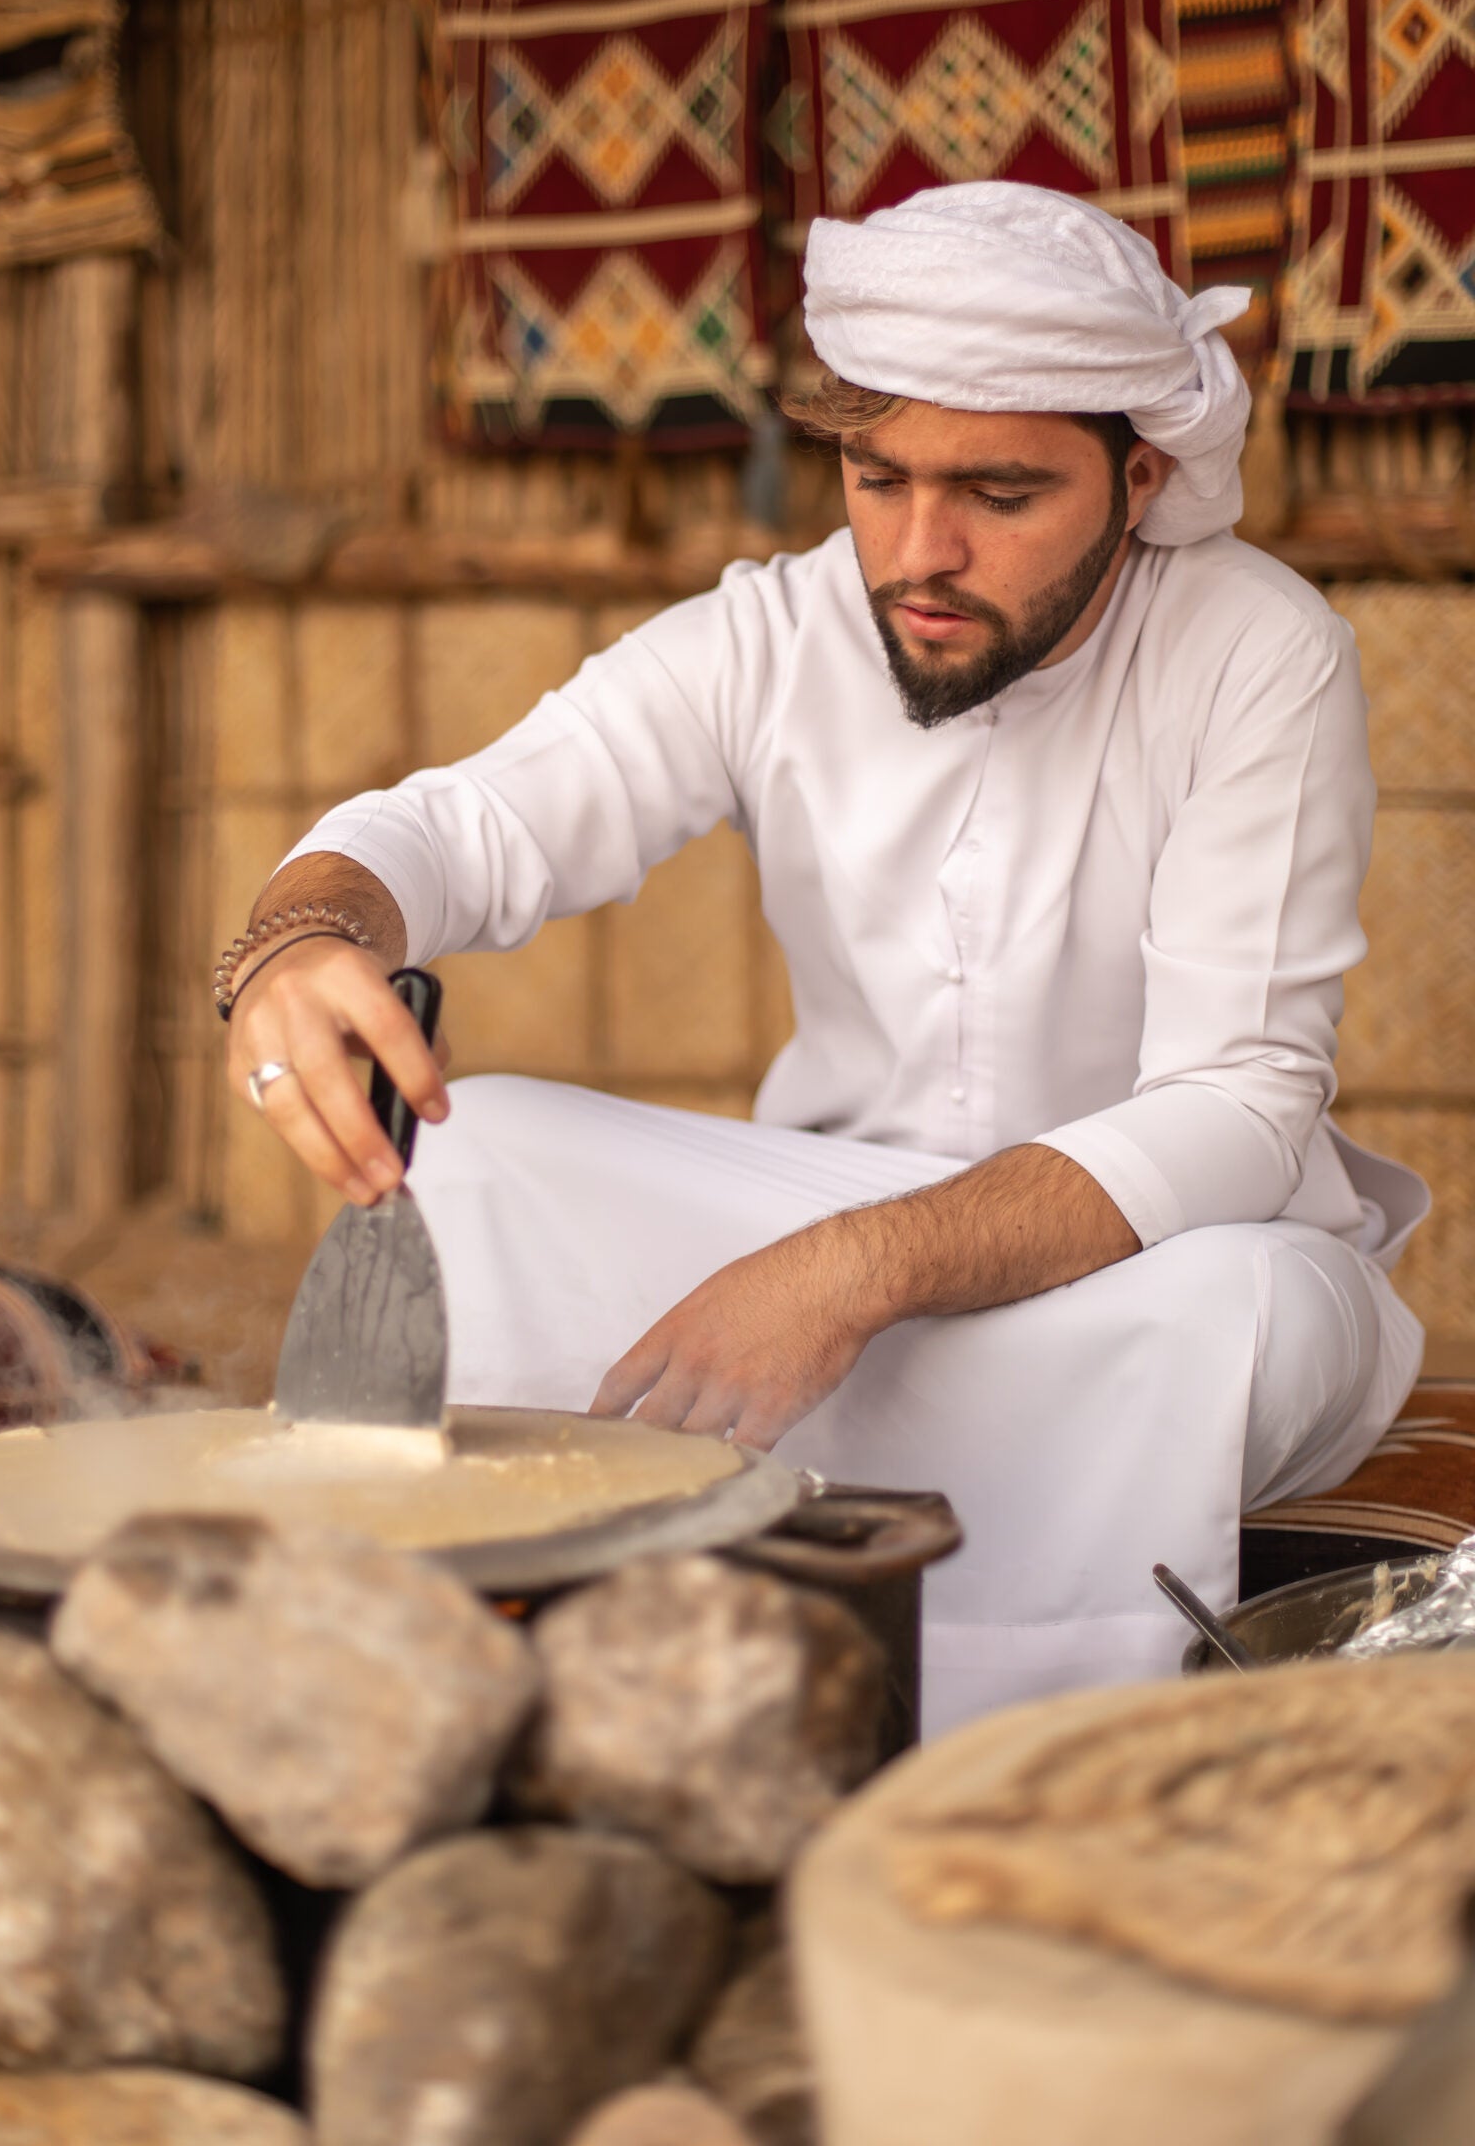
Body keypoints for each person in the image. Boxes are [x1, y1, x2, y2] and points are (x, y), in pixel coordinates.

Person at [219, 182, 1426, 1735]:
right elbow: (462, 827)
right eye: (877, 476)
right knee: (485, 1152)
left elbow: (1241, 1109)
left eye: (999, 493)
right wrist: (303, 940)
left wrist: (845, 1281)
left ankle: (993, 1743)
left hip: (1146, 1262)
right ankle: (516, 1677)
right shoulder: (769, 638)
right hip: (816, 1205)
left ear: (1137, 479)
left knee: (1242, 1316)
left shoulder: (1259, 649)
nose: (919, 553)